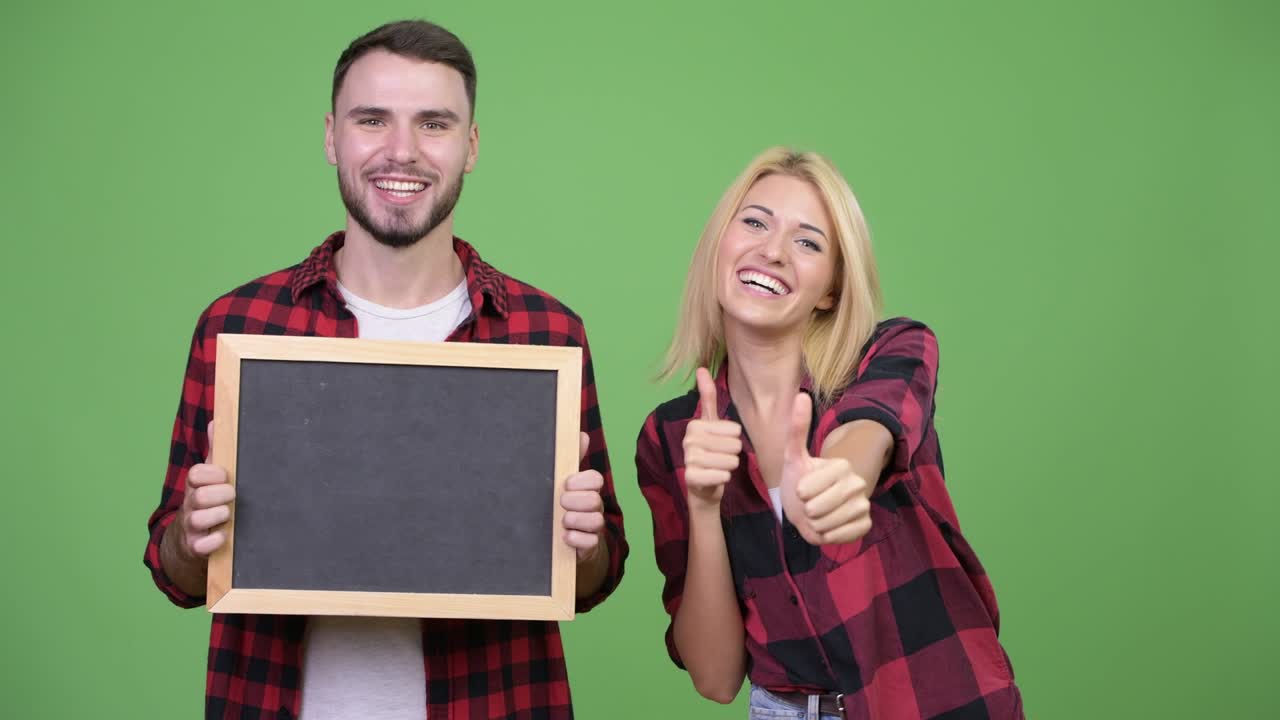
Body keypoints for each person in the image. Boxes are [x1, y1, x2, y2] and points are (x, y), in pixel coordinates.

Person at [142, 20, 627, 719]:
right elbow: (176, 572)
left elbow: (594, 577)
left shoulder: (545, 333)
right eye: (373, 120)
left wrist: (584, 543)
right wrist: (192, 535)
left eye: (434, 123)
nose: (402, 151)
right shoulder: (239, 326)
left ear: (471, 146)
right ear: (332, 137)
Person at [634, 147, 1022, 719]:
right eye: (755, 222)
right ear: (719, 245)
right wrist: (703, 505)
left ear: (832, 290)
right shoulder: (670, 435)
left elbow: (870, 430)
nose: (773, 251)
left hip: (937, 701)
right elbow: (715, 678)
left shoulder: (892, 350)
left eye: (808, 242)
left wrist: (837, 478)